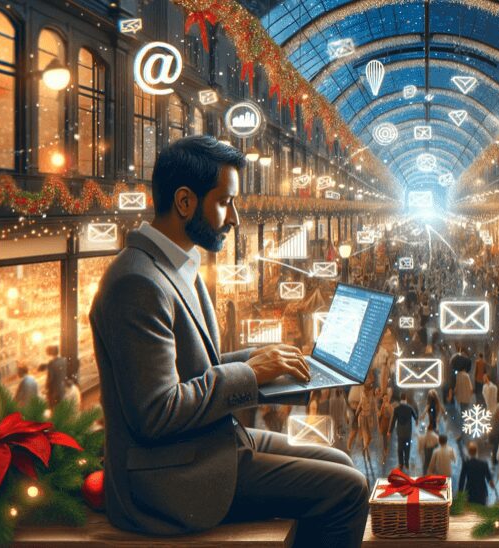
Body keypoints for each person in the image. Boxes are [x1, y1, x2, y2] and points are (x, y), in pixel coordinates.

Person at [89, 137, 368, 546]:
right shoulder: (136, 282)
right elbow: (156, 413)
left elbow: (195, 367)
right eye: (225, 202)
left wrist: (263, 360)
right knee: (349, 489)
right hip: (168, 481)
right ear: (185, 202)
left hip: (204, 445)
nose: (234, 218)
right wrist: (250, 373)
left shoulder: (175, 264)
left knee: (340, 460)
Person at [389, 394, 418, 470]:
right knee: (407, 447)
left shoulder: (397, 409)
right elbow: (415, 416)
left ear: (400, 399)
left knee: (400, 448)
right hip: (408, 432)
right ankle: (406, 463)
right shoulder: (410, 408)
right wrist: (416, 421)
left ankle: (401, 464)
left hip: (400, 432)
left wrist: (390, 431)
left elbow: (393, 421)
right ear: (406, 399)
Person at [377, 393, 394, 465]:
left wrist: (386, 408)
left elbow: (390, 415)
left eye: (386, 398)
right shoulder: (383, 405)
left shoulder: (388, 406)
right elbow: (380, 415)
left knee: (386, 437)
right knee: (385, 437)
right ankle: (385, 450)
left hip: (387, 423)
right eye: (384, 398)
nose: (385, 399)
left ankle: (386, 450)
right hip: (383, 423)